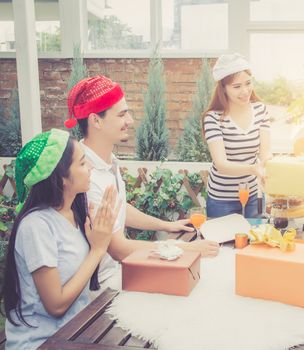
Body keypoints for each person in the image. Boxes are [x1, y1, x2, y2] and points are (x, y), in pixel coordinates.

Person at [64, 76, 219, 295]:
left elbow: (118, 210)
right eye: (121, 114)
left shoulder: (108, 162)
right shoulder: (87, 175)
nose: (130, 121)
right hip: (99, 291)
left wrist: (166, 226)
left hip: (117, 274)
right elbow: (119, 249)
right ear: (95, 121)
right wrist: (185, 248)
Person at [1, 129, 119, 349]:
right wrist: (97, 250)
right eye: (83, 163)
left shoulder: (74, 213)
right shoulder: (36, 226)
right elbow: (56, 305)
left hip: (74, 332)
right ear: (61, 178)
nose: (91, 167)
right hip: (41, 342)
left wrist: (98, 238)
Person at [202, 53, 272, 218]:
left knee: (252, 242)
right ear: (223, 89)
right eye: (237, 86)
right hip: (221, 200)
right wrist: (252, 169)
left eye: (248, 83)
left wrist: (269, 165)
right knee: (223, 244)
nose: (245, 91)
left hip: (251, 195)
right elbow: (221, 164)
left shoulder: (260, 110)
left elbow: (265, 152)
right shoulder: (213, 118)